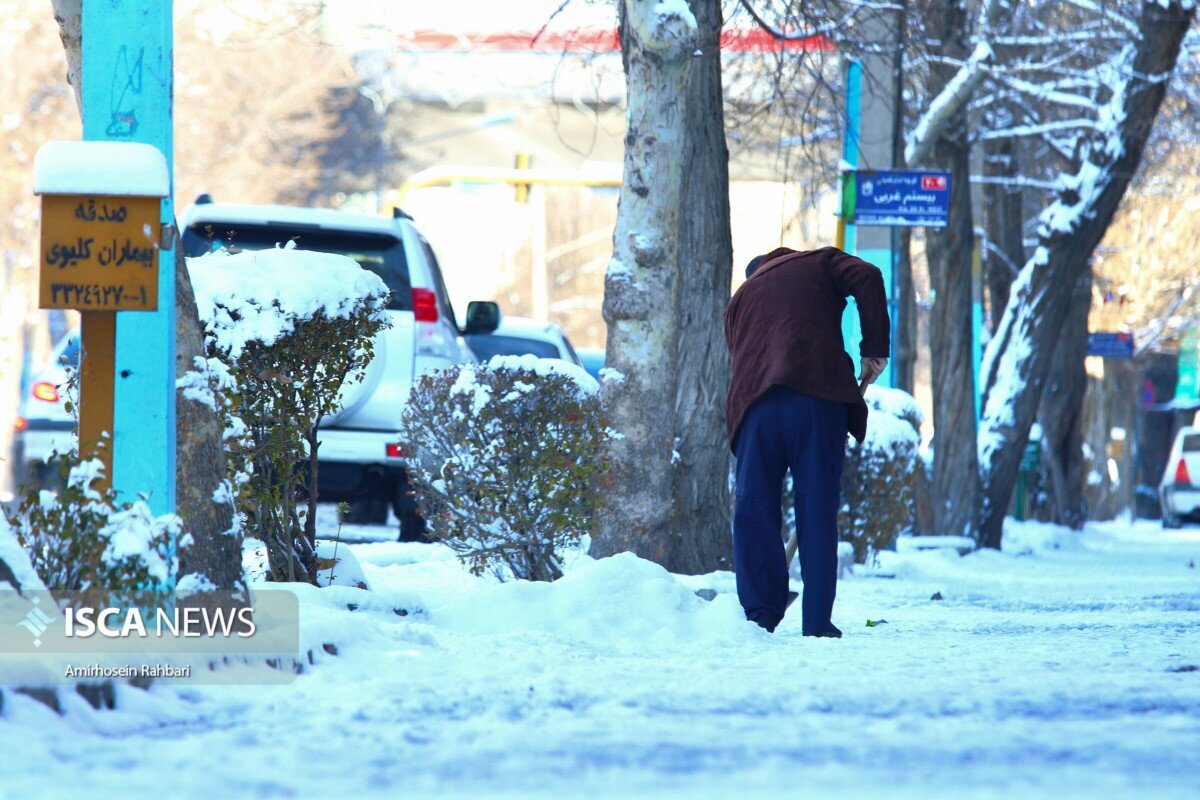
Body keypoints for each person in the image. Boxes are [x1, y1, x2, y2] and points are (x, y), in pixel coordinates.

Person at [724, 246, 890, 637]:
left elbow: (742, 359)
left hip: (755, 408)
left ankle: (760, 617)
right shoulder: (818, 261)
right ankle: (816, 623)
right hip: (816, 397)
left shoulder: (739, 300)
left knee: (754, 507)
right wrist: (874, 349)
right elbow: (867, 275)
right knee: (816, 508)